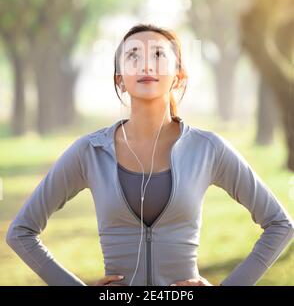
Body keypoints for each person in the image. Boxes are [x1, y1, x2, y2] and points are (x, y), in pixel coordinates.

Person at [6, 23, 294, 286]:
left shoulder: (208, 148)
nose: (145, 64)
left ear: (178, 77)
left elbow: (280, 225)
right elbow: (21, 232)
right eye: (133, 55)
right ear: (120, 79)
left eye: (158, 54)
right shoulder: (89, 152)